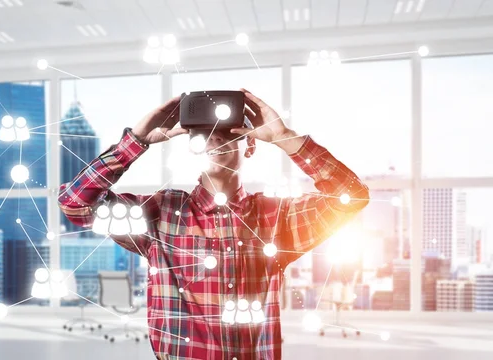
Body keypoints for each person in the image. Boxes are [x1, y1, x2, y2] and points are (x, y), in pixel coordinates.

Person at [58, 88, 369, 360]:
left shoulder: (277, 218)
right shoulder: (160, 214)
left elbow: (352, 196)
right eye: (203, 133)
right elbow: (75, 204)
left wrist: (284, 137)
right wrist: (136, 142)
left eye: (227, 131)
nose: (215, 138)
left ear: (249, 145)